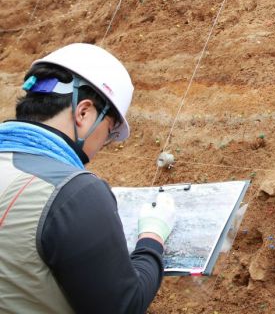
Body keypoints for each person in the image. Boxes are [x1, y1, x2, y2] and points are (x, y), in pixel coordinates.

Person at [0, 43, 176, 313]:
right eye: (107, 132)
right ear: (83, 112)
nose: (101, 146)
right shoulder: (74, 192)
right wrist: (153, 237)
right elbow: (125, 305)